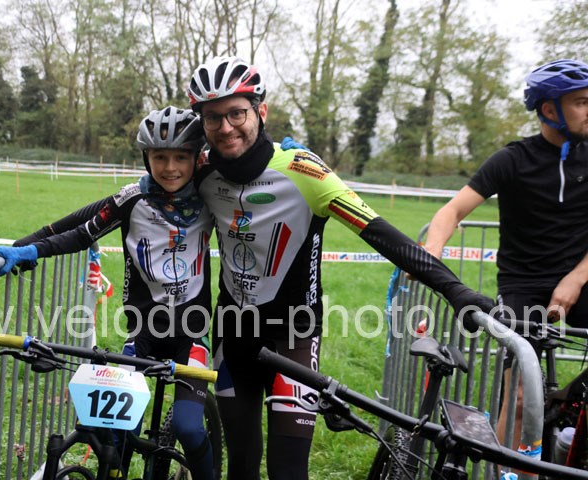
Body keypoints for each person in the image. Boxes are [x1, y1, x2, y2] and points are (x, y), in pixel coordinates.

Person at [186, 55, 494, 480]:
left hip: (293, 334)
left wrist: (455, 290)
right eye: (212, 117)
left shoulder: (303, 170)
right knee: (241, 465)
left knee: (287, 472)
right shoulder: (201, 172)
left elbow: (381, 233)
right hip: (232, 334)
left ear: (261, 111)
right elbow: (154, 196)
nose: (225, 127)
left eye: (236, 113)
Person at [0, 106, 215, 479]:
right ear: (146, 157)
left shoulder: (211, 195)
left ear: (196, 158)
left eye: (180, 157)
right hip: (142, 330)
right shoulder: (132, 199)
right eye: (160, 157)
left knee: (189, 428)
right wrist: (30, 250)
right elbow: (80, 233)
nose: (170, 167)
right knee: (116, 428)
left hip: (193, 332)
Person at [423, 59, 588, 450]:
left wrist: (576, 278)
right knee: (519, 398)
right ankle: (509, 473)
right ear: (550, 110)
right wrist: (431, 252)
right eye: (581, 102)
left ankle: (566, 421)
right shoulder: (513, 159)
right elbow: (452, 211)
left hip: (581, 278)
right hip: (522, 285)